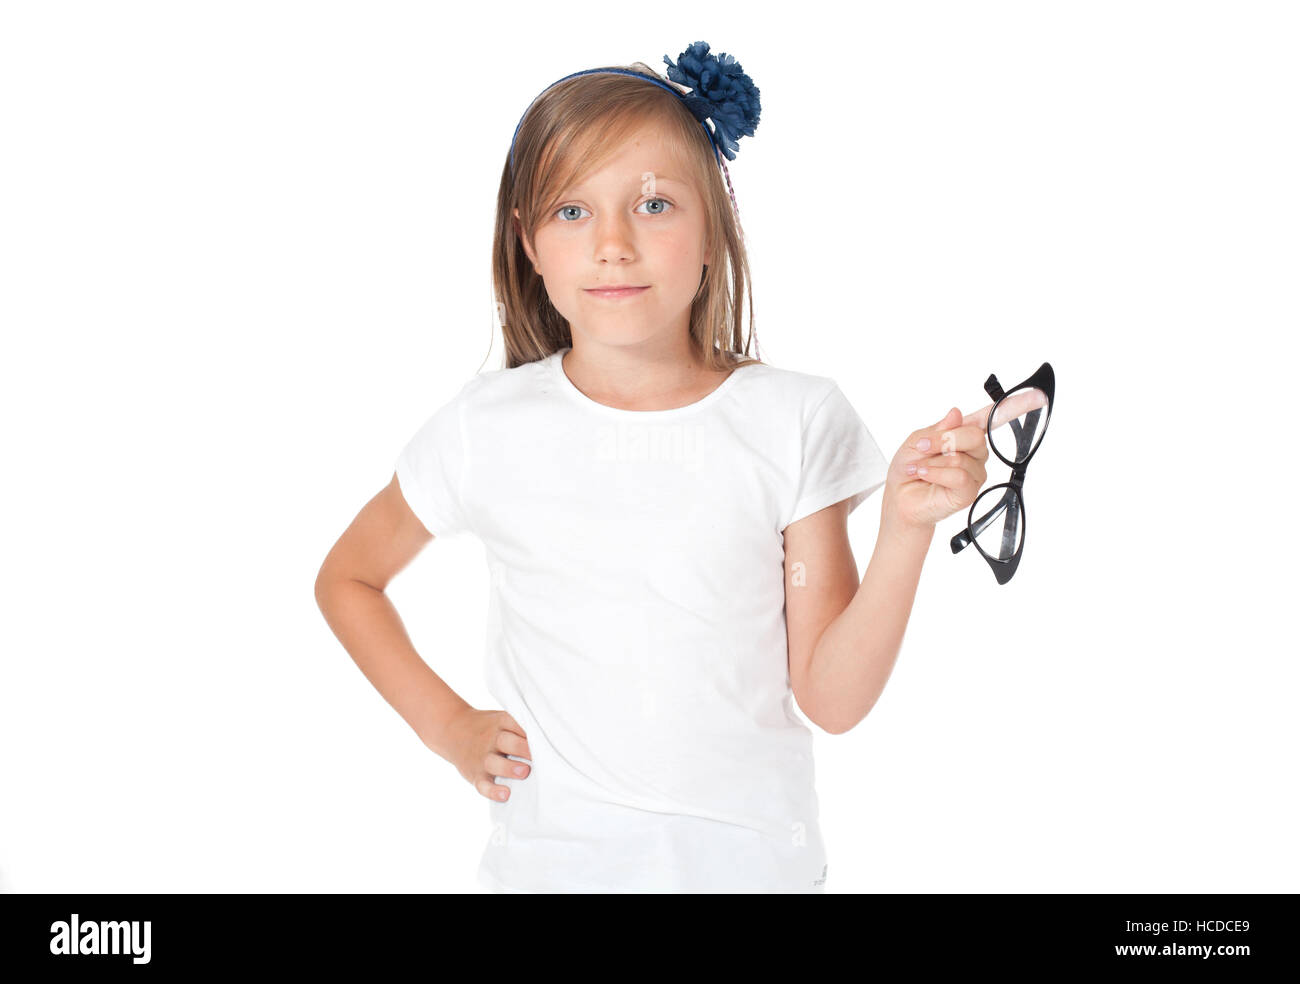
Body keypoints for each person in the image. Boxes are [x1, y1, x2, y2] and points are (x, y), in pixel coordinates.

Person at [314, 41, 992, 894]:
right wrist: (448, 727)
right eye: (571, 212)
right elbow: (348, 580)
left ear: (715, 231)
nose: (612, 244)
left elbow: (832, 698)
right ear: (527, 243)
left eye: (655, 204)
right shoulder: (487, 428)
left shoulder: (793, 420)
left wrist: (904, 530)